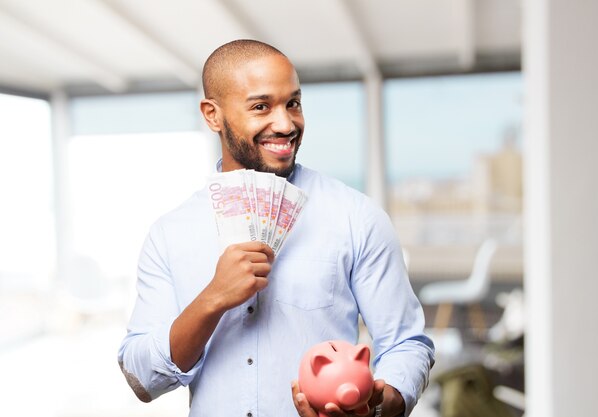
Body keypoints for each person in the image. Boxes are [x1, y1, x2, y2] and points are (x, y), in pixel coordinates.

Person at [118, 39, 435, 417]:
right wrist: (212, 299)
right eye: (261, 106)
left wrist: (379, 404)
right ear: (212, 115)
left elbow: (406, 344)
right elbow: (141, 378)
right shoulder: (170, 234)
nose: (286, 124)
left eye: (293, 103)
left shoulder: (356, 216)